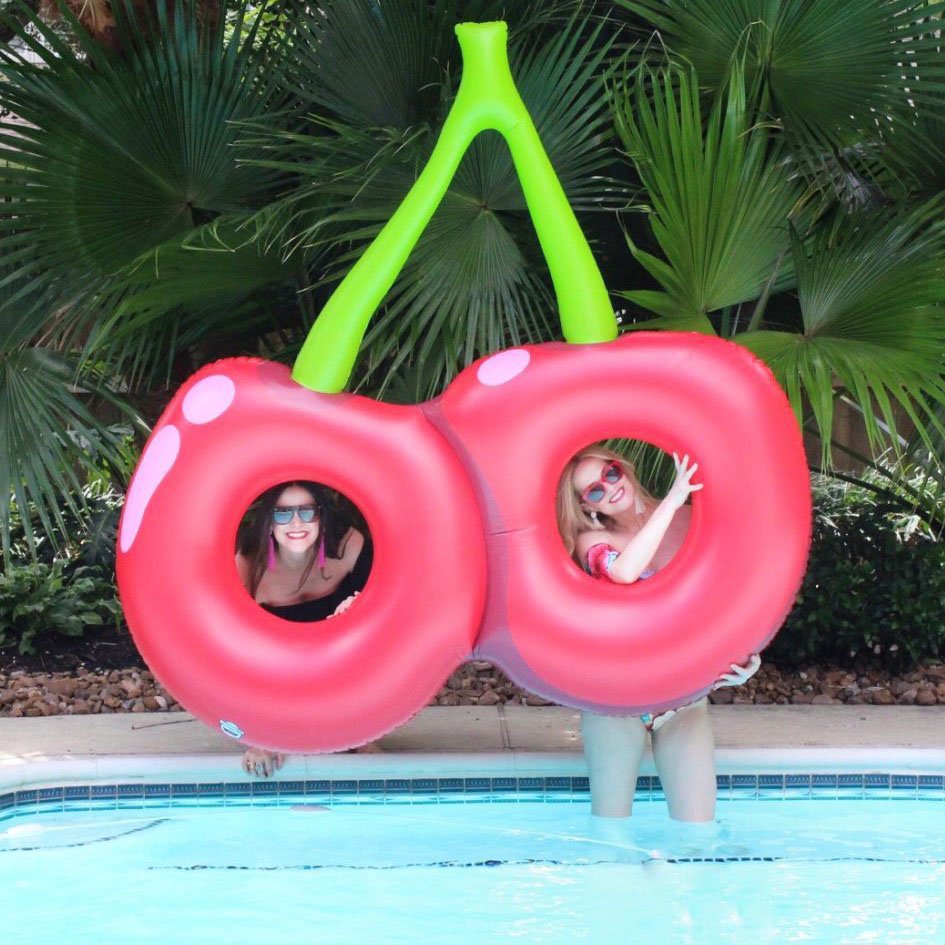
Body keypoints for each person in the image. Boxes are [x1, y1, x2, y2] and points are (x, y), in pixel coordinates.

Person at [557, 446, 760, 821]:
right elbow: (623, 573)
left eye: (611, 473)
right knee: (611, 833)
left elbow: (730, 591)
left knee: (698, 832)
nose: (610, 487)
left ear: (624, 468)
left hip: (683, 701)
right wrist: (672, 500)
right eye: (595, 491)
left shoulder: (692, 520)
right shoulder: (594, 543)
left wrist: (744, 654)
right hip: (616, 702)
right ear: (589, 508)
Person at [234, 480, 373, 777]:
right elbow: (238, 658)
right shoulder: (248, 566)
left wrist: (359, 609)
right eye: (282, 514)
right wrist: (259, 736)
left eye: (307, 512)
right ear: (269, 523)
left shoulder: (349, 546)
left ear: (322, 518)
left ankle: (363, 736)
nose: (296, 522)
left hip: (343, 672)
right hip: (280, 679)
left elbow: (390, 614)